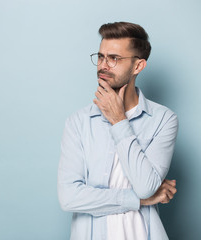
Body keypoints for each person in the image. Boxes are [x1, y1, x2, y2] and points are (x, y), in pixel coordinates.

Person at [57, 22, 178, 240]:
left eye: (114, 58)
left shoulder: (163, 120)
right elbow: (69, 197)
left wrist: (118, 120)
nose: (103, 65)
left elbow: (145, 187)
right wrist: (139, 201)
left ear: (138, 66)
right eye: (101, 57)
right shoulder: (78, 122)